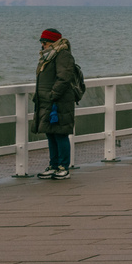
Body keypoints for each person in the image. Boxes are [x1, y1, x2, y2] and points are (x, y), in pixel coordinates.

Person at [34, 28, 83, 179]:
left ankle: (63, 167)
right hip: (48, 101)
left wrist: (53, 94)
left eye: (45, 42)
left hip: (59, 101)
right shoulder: (49, 56)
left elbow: (64, 78)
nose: (42, 45)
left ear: (53, 42)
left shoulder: (63, 55)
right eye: (42, 42)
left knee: (60, 133)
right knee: (51, 133)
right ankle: (53, 165)